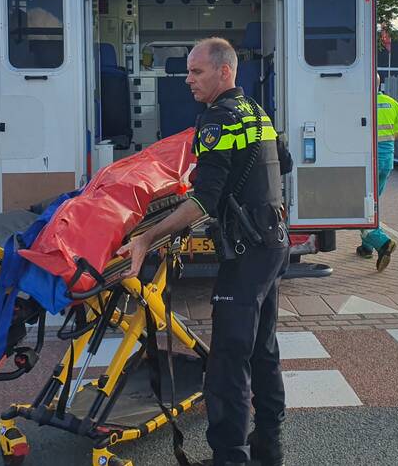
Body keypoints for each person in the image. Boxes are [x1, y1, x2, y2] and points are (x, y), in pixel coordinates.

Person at [118, 37, 292, 466]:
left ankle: (230, 459)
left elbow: (204, 202)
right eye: (188, 71)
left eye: (196, 72)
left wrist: (146, 238)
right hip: (274, 244)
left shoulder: (216, 120)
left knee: (228, 362)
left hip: (247, 251)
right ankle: (269, 446)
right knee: (263, 347)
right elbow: (282, 163)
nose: (187, 80)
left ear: (224, 71)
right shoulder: (256, 111)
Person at [356, 73, 398, 271]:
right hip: (386, 161)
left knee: (361, 206)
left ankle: (382, 242)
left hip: (369, 161)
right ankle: (366, 247)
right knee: (373, 204)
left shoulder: (362, 104)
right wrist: (389, 141)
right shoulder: (391, 102)